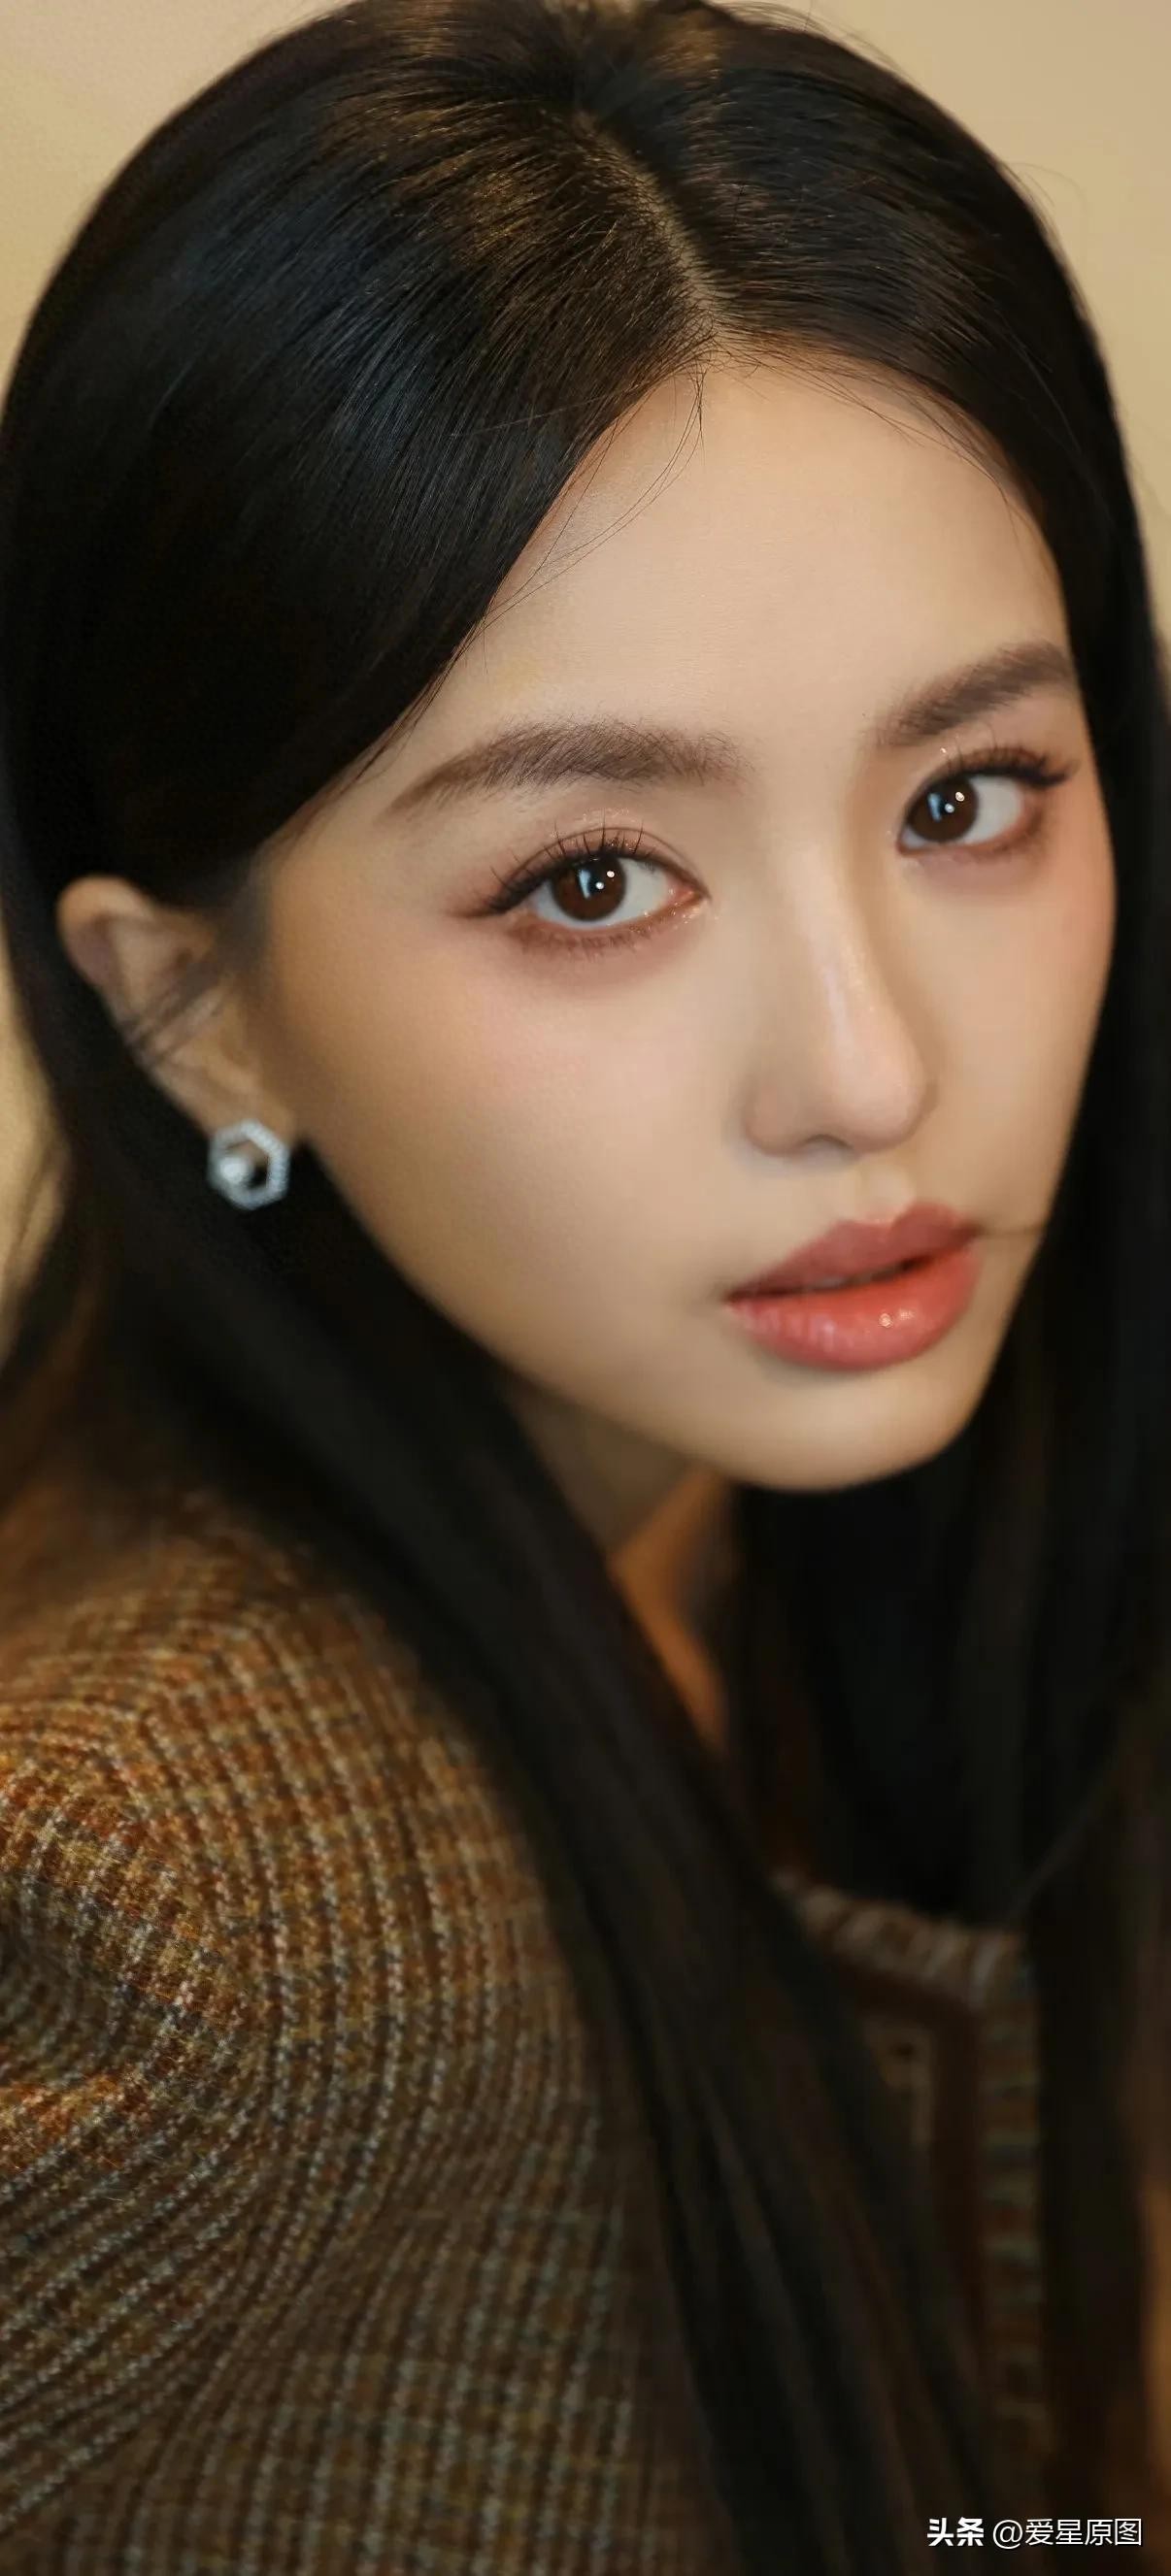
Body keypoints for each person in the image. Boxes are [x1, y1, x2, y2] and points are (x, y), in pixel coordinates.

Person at [0, 0, 1167, 2565]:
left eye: (968, 797)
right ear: (194, 1013)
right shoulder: (175, 1918)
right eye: (593, 879)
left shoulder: (906, 1540)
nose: (869, 1072)